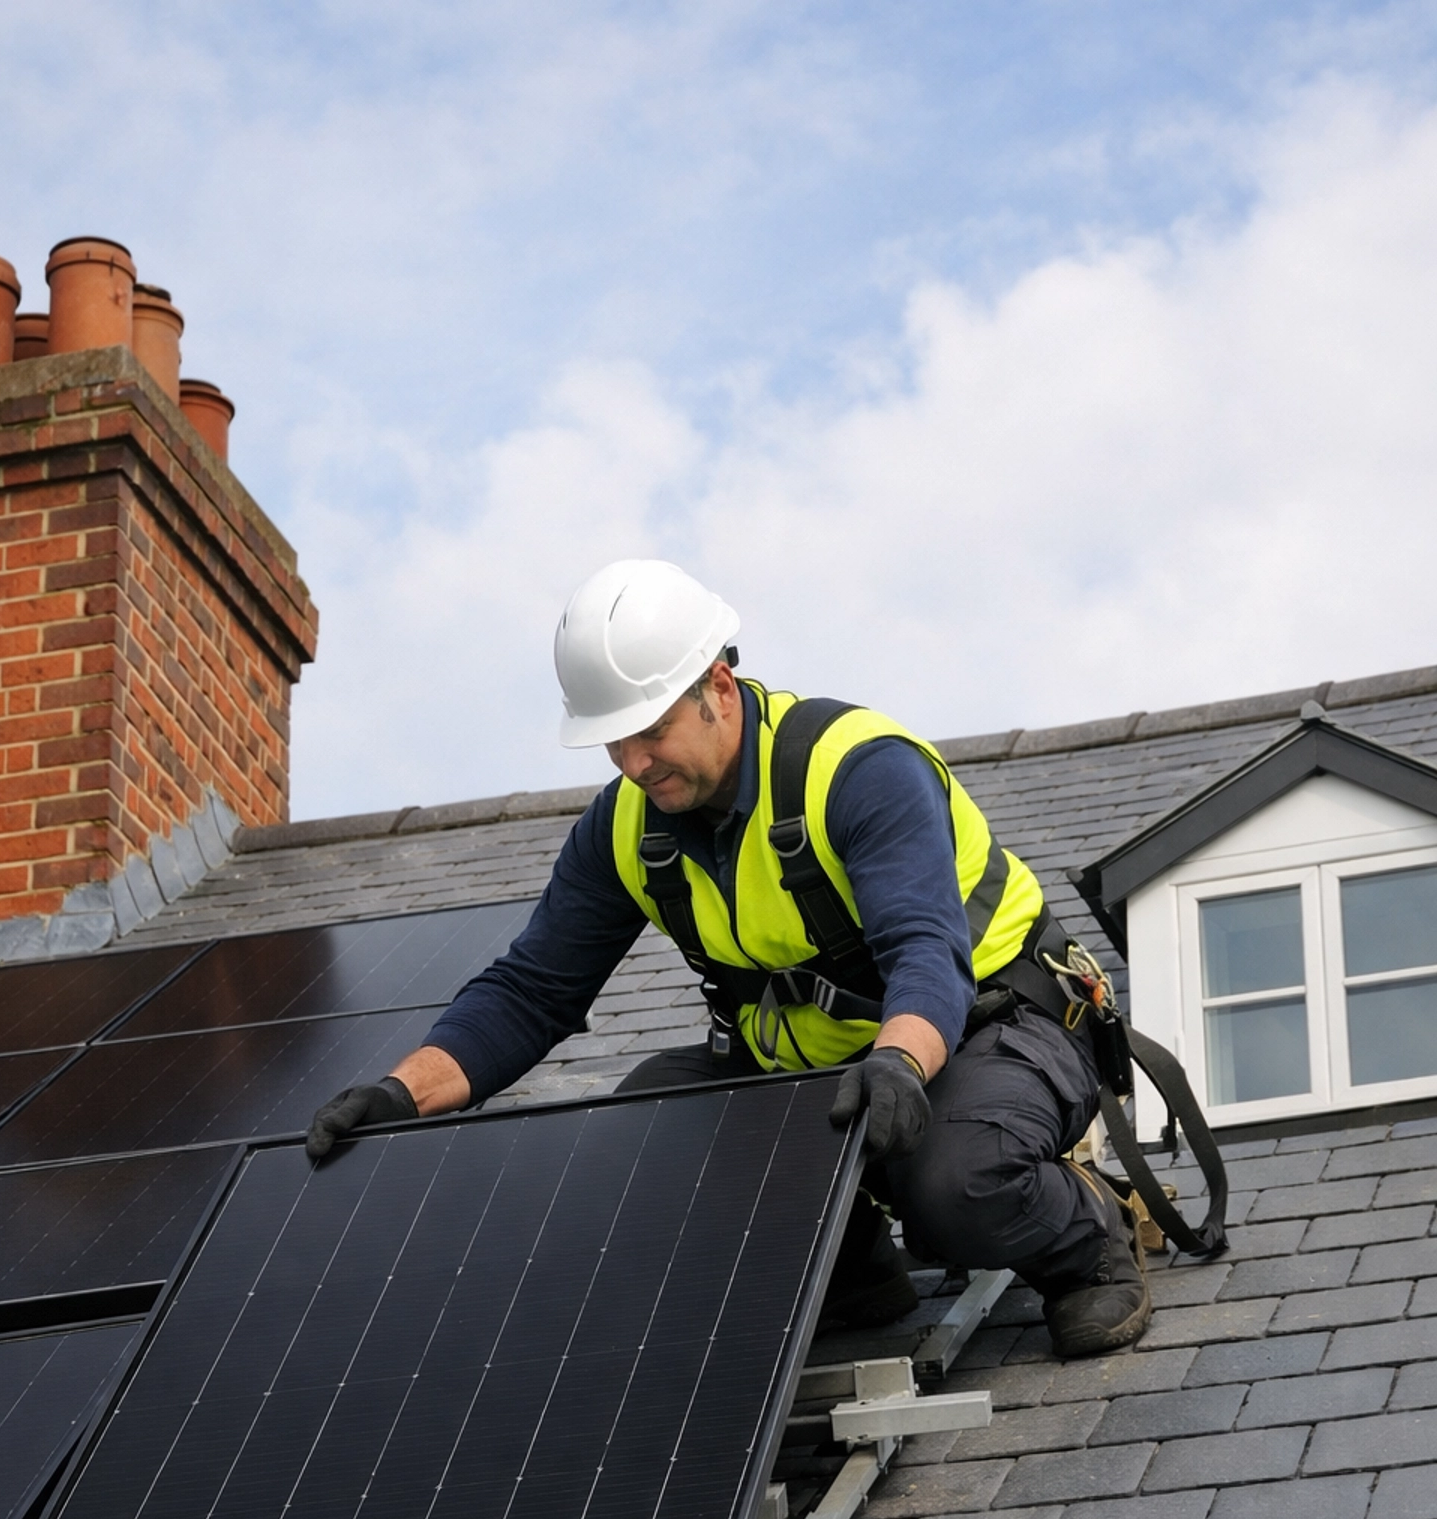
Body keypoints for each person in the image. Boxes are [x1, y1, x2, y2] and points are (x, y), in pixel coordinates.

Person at [307, 560, 1150, 1358]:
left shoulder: (856, 770)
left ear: (717, 685)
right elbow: (532, 991)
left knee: (957, 1183)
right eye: (614, 743)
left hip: (991, 1028)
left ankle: (1091, 1246)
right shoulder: (624, 828)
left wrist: (899, 1061)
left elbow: (925, 951)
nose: (634, 764)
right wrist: (401, 1094)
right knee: (645, 1134)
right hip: (833, 1069)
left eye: (651, 731)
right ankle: (855, 1272)